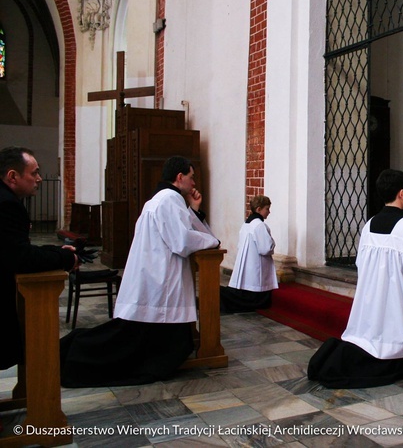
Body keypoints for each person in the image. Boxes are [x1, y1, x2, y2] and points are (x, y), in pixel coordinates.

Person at [60, 156, 220, 387]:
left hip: (153, 277)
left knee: (132, 337)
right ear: (180, 177)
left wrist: (195, 210)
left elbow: (183, 228)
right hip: (159, 281)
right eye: (192, 177)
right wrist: (212, 241)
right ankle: (75, 355)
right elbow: (182, 241)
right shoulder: (169, 200)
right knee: (129, 340)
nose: (194, 183)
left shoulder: (164, 199)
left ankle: (73, 353)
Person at [307, 169, 403, 388]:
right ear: (401, 193)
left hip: (373, 301)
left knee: (373, 336)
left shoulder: (369, 225)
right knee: (394, 339)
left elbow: (361, 264)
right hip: (398, 304)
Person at [1, 147, 78, 371]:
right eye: (33, 173)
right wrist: (64, 257)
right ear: (13, 176)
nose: (39, 178)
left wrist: (55, 252)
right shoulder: (7, 204)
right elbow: (21, 258)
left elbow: (13, 247)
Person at [220, 195, 277, 312]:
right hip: (257, 264)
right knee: (256, 288)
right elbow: (266, 248)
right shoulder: (260, 225)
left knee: (247, 287)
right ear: (259, 209)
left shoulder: (246, 224)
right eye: (267, 208)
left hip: (249, 262)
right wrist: (272, 244)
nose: (269, 212)